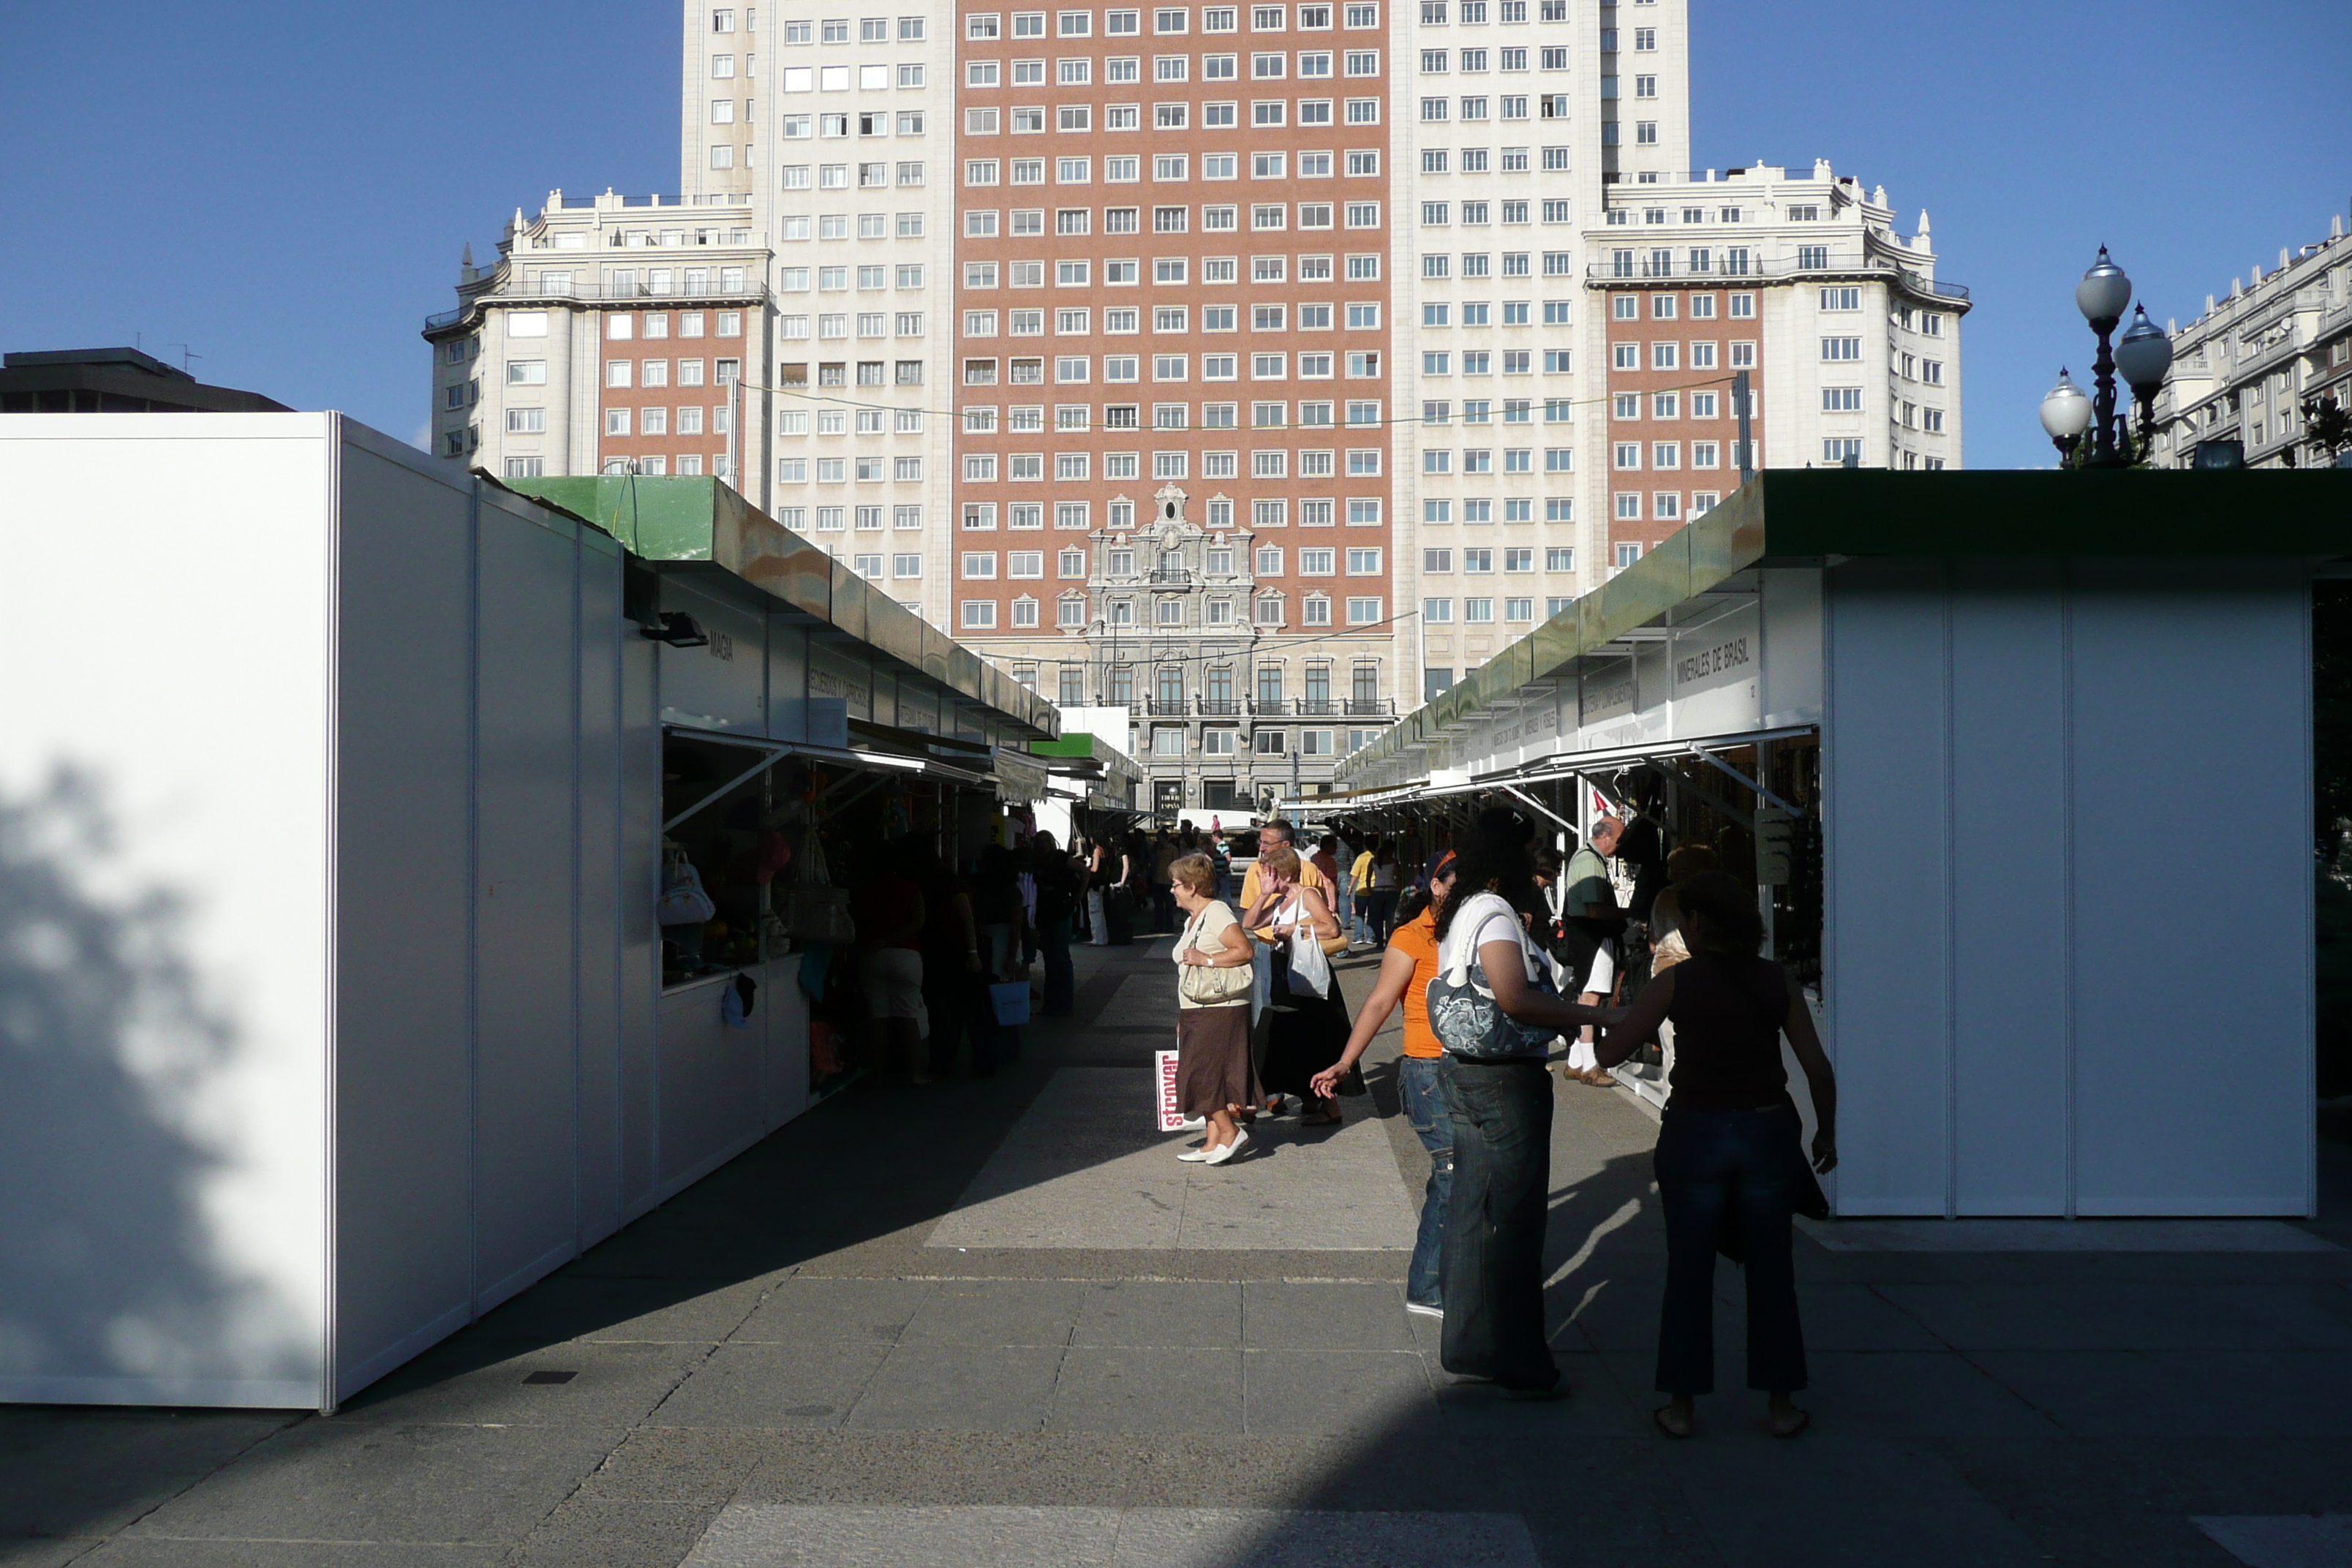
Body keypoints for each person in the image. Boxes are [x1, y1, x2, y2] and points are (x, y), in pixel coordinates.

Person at [1596, 870, 1837, 1441]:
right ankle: (1780, 1406)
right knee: (1773, 1272)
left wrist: (1608, 1021)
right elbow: (1818, 1070)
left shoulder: (1676, 984)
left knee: (1689, 1270)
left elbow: (1610, 1053)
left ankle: (1681, 1407)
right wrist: (1826, 1135)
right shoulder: (1777, 980)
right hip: (1765, 1133)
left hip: (1695, 1135)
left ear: (1699, 923)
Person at [1431, 808, 1618, 1397]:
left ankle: (1469, 1344)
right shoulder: (1496, 915)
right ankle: (1520, 1357)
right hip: (1506, 1080)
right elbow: (1514, 998)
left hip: (1462, 1071)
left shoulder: (1461, 912)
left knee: (1469, 1212)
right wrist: (1592, 1016)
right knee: (1514, 1221)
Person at [1313, 849, 1460, 1317]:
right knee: (1453, 1171)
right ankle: (1428, 1285)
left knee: (1466, 1174)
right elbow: (1379, 1003)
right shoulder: (1411, 935)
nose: (1464, 890)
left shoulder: (1476, 930)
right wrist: (1344, 1062)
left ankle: (1454, 1274)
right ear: (1435, 886)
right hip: (1427, 1069)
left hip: (1470, 1069)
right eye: (1455, 881)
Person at [1244, 844, 1352, 1125]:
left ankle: (1329, 1106)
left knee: (1313, 1040)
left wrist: (1295, 930)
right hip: (1287, 975)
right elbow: (1250, 922)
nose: (1267, 880)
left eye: (1272, 875)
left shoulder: (1308, 895)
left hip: (1307, 978)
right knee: (1298, 1039)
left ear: (1287, 874)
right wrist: (1266, 894)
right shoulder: (1280, 902)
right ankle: (1312, 1101)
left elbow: (1331, 928)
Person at [1171, 851, 1259, 1165]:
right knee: (1205, 1073)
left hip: (1220, 1007)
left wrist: (1206, 959)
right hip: (1198, 1006)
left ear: (1193, 887)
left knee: (1203, 1075)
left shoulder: (1218, 912)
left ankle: (1230, 1131)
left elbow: (1244, 950)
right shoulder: (1195, 918)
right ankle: (1213, 1141)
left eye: (1177, 884)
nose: (1172, 890)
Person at [849, 840, 930, 1083]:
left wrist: (879, 941)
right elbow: (919, 922)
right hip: (906, 956)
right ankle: (914, 1074)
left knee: (878, 1018)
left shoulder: (867, 889)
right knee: (907, 1017)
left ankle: (877, 1073)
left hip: (873, 955)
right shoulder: (911, 888)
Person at [1560, 816, 1626, 1087]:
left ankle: (1576, 1062)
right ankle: (1590, 1066)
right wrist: (1628, 913)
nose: (1621, 846)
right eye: (1620, 840)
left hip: (1586, 935)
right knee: (1591, 999)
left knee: (1586, 996)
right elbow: (1593, 908)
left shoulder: (1589, 858)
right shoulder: (1589, 861)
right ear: (1606, 837)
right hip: (1592, 935)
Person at [1031, 832, 1077, 1017]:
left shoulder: (1061, 858)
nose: (1043, 845)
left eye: (1045, 841)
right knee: (1050, 959)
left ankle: (1064, 1002)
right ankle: (1051, 1002)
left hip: (1060, 911)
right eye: (1039, 842)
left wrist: (1076, 899)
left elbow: (1084, 871)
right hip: (1045, 913)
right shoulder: (1037, 861)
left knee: (1060, 957)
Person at [1362, 839, 1402, 946]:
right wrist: (1400, 890)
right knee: (1390, 918)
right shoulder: (1394, 861)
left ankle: (1379, 941)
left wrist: (1370, 889)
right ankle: (1390, 940)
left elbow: (1368, 876)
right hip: (1391, 891)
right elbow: (1398, 878)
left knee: (1377, 918)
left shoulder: (1374, 861)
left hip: (1377, 891)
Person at [1349, 836, 1378, 947]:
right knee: (1372, 914)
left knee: (1359, 914)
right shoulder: (1378, 857)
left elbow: (1355, 875)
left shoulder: (1361, 857)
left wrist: (1350, 887)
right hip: (1376, 889)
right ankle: (1371, 937)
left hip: (1362, 889)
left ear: (1365, 845)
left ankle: (1359, 936)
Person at [1086, 834, 1112, 946]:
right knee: (1100, 912)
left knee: (1094, 912)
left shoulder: (1097, 851)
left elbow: (1095, 868)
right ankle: (1103, 938)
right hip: (1102, 884)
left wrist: (1087, 868)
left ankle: (1097, 938)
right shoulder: (1104, 851)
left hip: (1095, 885)